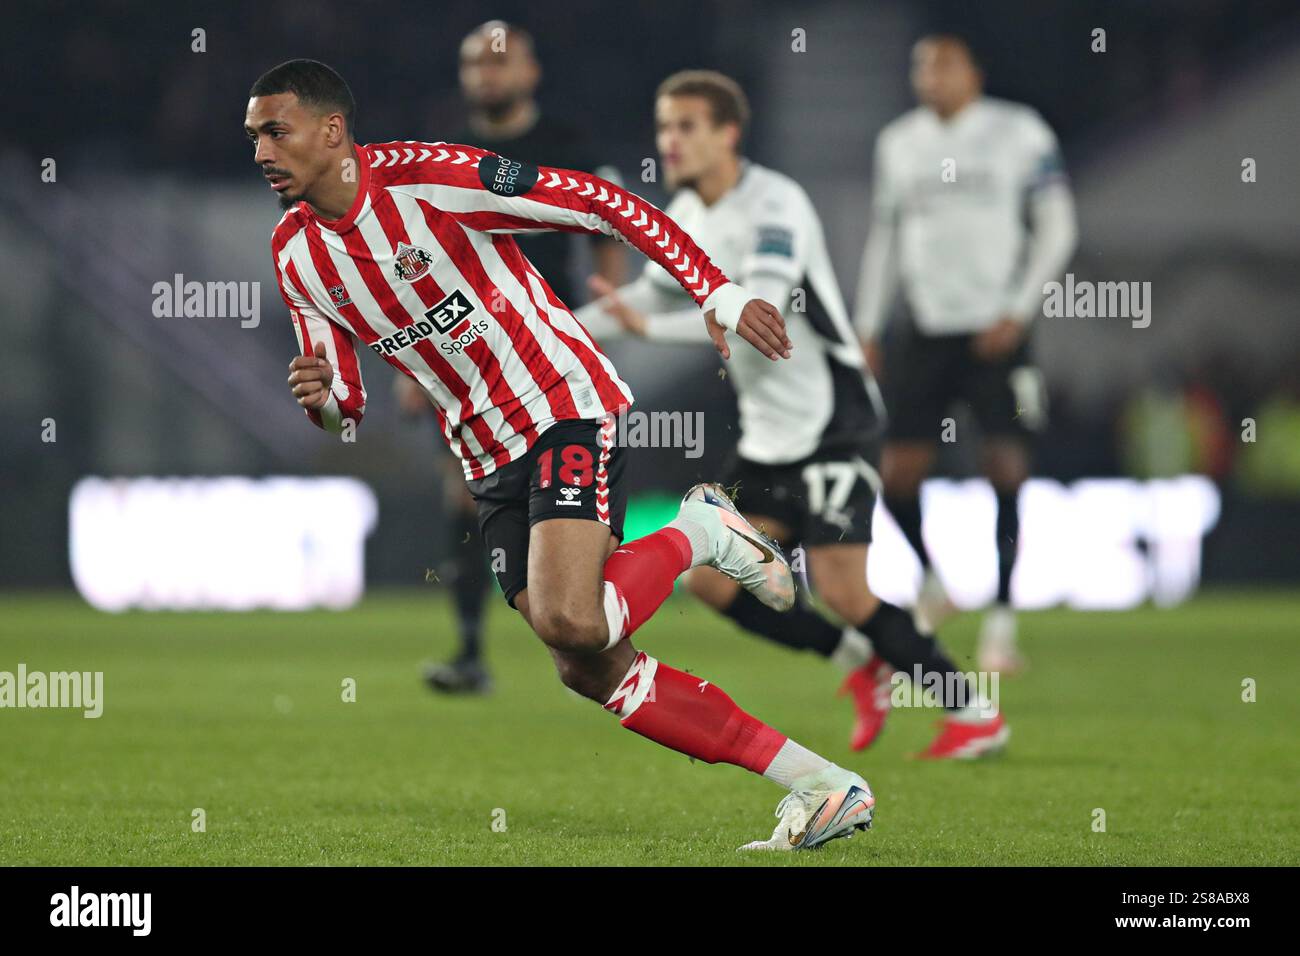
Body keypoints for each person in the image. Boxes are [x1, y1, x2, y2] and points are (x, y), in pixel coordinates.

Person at [250, 58, 873, 850]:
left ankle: (703, 534)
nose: (263, 151)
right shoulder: (295, 253)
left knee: (573, 618)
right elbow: (347, 401)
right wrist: (325, 402)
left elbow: (601, 202)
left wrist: (715, 290)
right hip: (483, 454)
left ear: (331, 130)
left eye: (277, 130)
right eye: (254, 137)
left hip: (560, 406)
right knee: (587, 667)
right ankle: (821, 785)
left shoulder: (431, 181)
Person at [579, 70, 1007, 758]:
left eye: (687, 125)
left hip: (836, 422)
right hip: (770, 436)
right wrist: (548, 327)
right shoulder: (687, 216)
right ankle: (858, 664)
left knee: (843, 589)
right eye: (664, 127)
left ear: (728, 133)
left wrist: (673, 322)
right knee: (713, 582)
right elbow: (650, 301)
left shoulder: (777, 202)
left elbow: (762, 309)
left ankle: (974, 710)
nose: (671, 141)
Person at [412, 21, 627, 695]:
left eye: (500, 61)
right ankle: (472, 649)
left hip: (551, 358)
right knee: (468, 500)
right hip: (466, 357)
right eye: (475, 62)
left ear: (531, 72)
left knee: (565, 505)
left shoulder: (567, 144)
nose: (488, 73)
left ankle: (590, 614)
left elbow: (608, 218)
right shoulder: (446, 152)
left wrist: (608, 304)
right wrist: (415, 366)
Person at [854, 35, 1078, 673]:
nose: (929, 75)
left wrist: (1018, 309)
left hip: (996, 331)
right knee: (898, 473)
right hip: (927, 328)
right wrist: (869, 324)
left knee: (1006, 468)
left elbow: (1059, 227)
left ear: (974, 72)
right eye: (920, 64)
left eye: (942, 63)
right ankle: (932, 581)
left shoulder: (1019, 131)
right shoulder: (898, 142)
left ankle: (1001, 629)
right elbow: (887, 237)